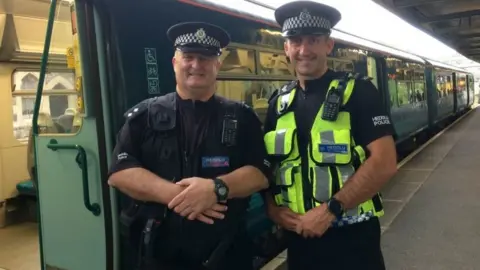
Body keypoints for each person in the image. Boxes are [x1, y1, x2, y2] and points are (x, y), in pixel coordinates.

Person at [107, 21, 269, 270]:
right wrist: (180, 196)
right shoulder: (144, 116)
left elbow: (260, 173)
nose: (196, 65)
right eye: (189, 57)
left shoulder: (242, 117)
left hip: (226, 253)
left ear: (218, 64)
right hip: (158, 255)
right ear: (175, 63)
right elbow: (119, 172)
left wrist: (216, 189)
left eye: (205, 58)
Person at [263, 1, 398, 269]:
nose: (304, 50)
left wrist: (330, 211)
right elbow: (268, 167)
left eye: (313, 40)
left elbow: (385, 162)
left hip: (353, 241)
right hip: (300, 241)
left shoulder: (358, 92)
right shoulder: (278, 103)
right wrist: (273, 210)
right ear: (286, 48)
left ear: (328, 45)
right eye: (296, 41)